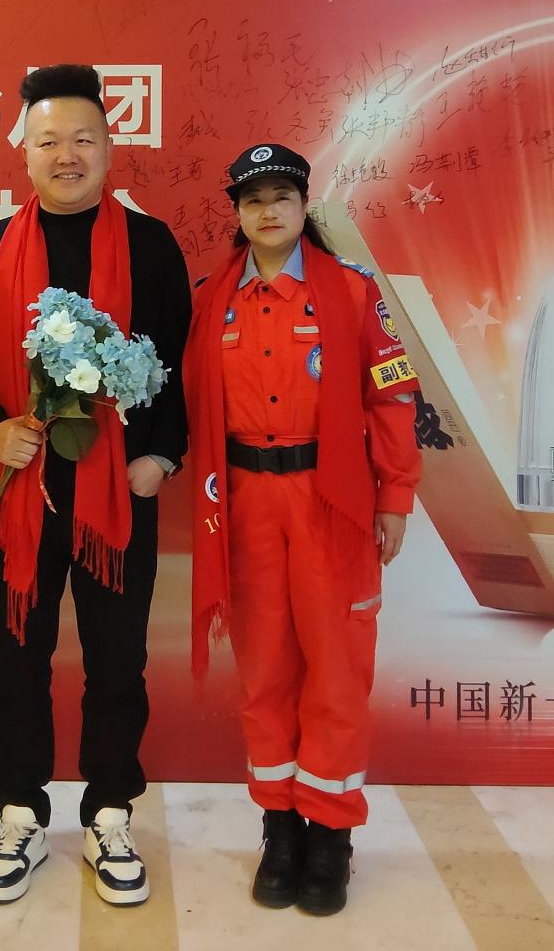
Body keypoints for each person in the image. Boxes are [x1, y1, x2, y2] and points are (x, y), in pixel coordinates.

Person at [0, 64, 190, 907]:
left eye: (83, 138)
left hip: (115, 495)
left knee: (117, 660)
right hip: (17, 488)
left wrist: (159, 459)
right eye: (49, 140)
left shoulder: (151, 245)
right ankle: (20, 810)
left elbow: (176, 365)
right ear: (23, 152)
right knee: (15, 656)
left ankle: (110, 811)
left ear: (109, 147)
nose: (67, 155)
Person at [185, 143, 423, 917]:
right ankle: (280, 828)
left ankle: (331, 834)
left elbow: (392, 395)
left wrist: (395, 496)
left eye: (281, 196)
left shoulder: (350, 290)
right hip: (245, 501)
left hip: (331, 501)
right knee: (265, 670)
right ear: (237, 211)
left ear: (302, 205)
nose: (268, 210)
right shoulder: (211, 299)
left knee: (336, 669)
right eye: (253, 198)